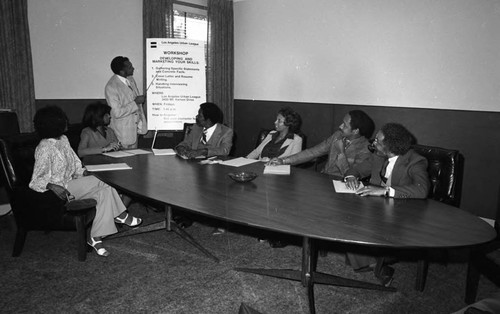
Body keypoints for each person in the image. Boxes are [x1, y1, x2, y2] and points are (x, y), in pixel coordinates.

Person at [29, 106, 142, 257]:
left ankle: (95, 238)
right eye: (63, 119)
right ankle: (120, 214)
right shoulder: (44, 147)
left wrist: (85, 172)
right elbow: (35, 180)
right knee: (104, 183)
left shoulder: (63, 139)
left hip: (72, 183)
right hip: (61, 191)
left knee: (104, 189)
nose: (66, 121)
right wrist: (52, 185)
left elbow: (76, 164)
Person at [344, 123, 430, 286]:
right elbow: (356, 169)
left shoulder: (415, 161)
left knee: (359, 225)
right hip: (377, 207)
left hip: (401, 211)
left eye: (377, 141)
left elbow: (422, 190)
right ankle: (371, 263)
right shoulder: (378, 156)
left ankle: (377, 263)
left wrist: (386, 191)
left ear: (390, 146)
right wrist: (351, 177)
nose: (373, 143)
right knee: (348, 217)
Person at [269, 110, 375, 179]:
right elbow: (313, 152)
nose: (340, 126)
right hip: (324, 179)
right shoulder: (337, 135)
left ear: (355, 131)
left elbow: (349, 177)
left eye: (345, 125)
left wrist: (341, 153)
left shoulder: (365, 149)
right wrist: (283, 160)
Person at [104, 56, 146, 149]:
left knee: (134, 160)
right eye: (130, 67)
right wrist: (135, 103)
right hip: (122, 134)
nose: (133, 68)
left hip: (134, 131)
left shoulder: (130, 79)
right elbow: (116, 113)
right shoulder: (111, 87)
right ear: (122, 71)